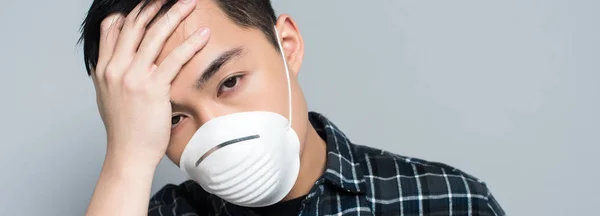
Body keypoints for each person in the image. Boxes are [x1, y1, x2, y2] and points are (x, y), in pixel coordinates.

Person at [79, 0, 505, 215]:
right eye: (173, 118)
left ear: (288, 47)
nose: (215, 128)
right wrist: (126, 160)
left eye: (229, 82)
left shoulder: (444, 201)